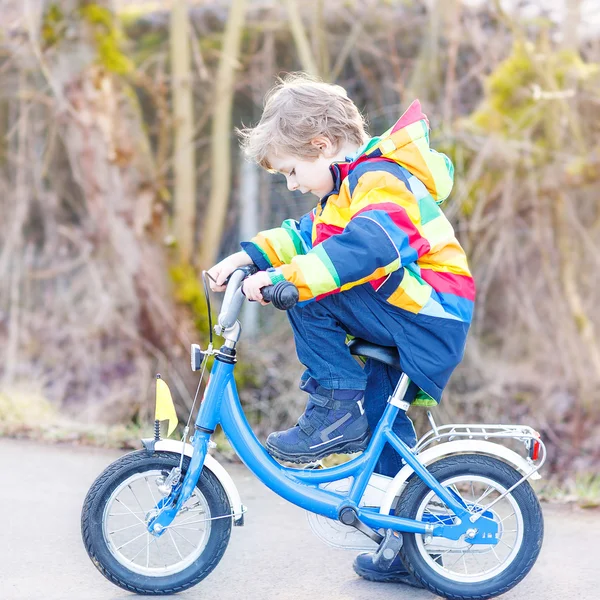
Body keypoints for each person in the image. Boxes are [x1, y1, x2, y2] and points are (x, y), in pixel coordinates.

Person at [207, 73, 475, 585]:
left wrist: (287, 281)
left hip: (429, 310)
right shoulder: (346, 191)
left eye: (291, 171)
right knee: (382, 427)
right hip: (412, 313)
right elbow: (305, 236)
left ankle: (333, 407)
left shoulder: (380, 179)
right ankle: (406, 544)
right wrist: (247, 256)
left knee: (310, 291)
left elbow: (369, 249)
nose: (291, 184)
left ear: (322, 145)